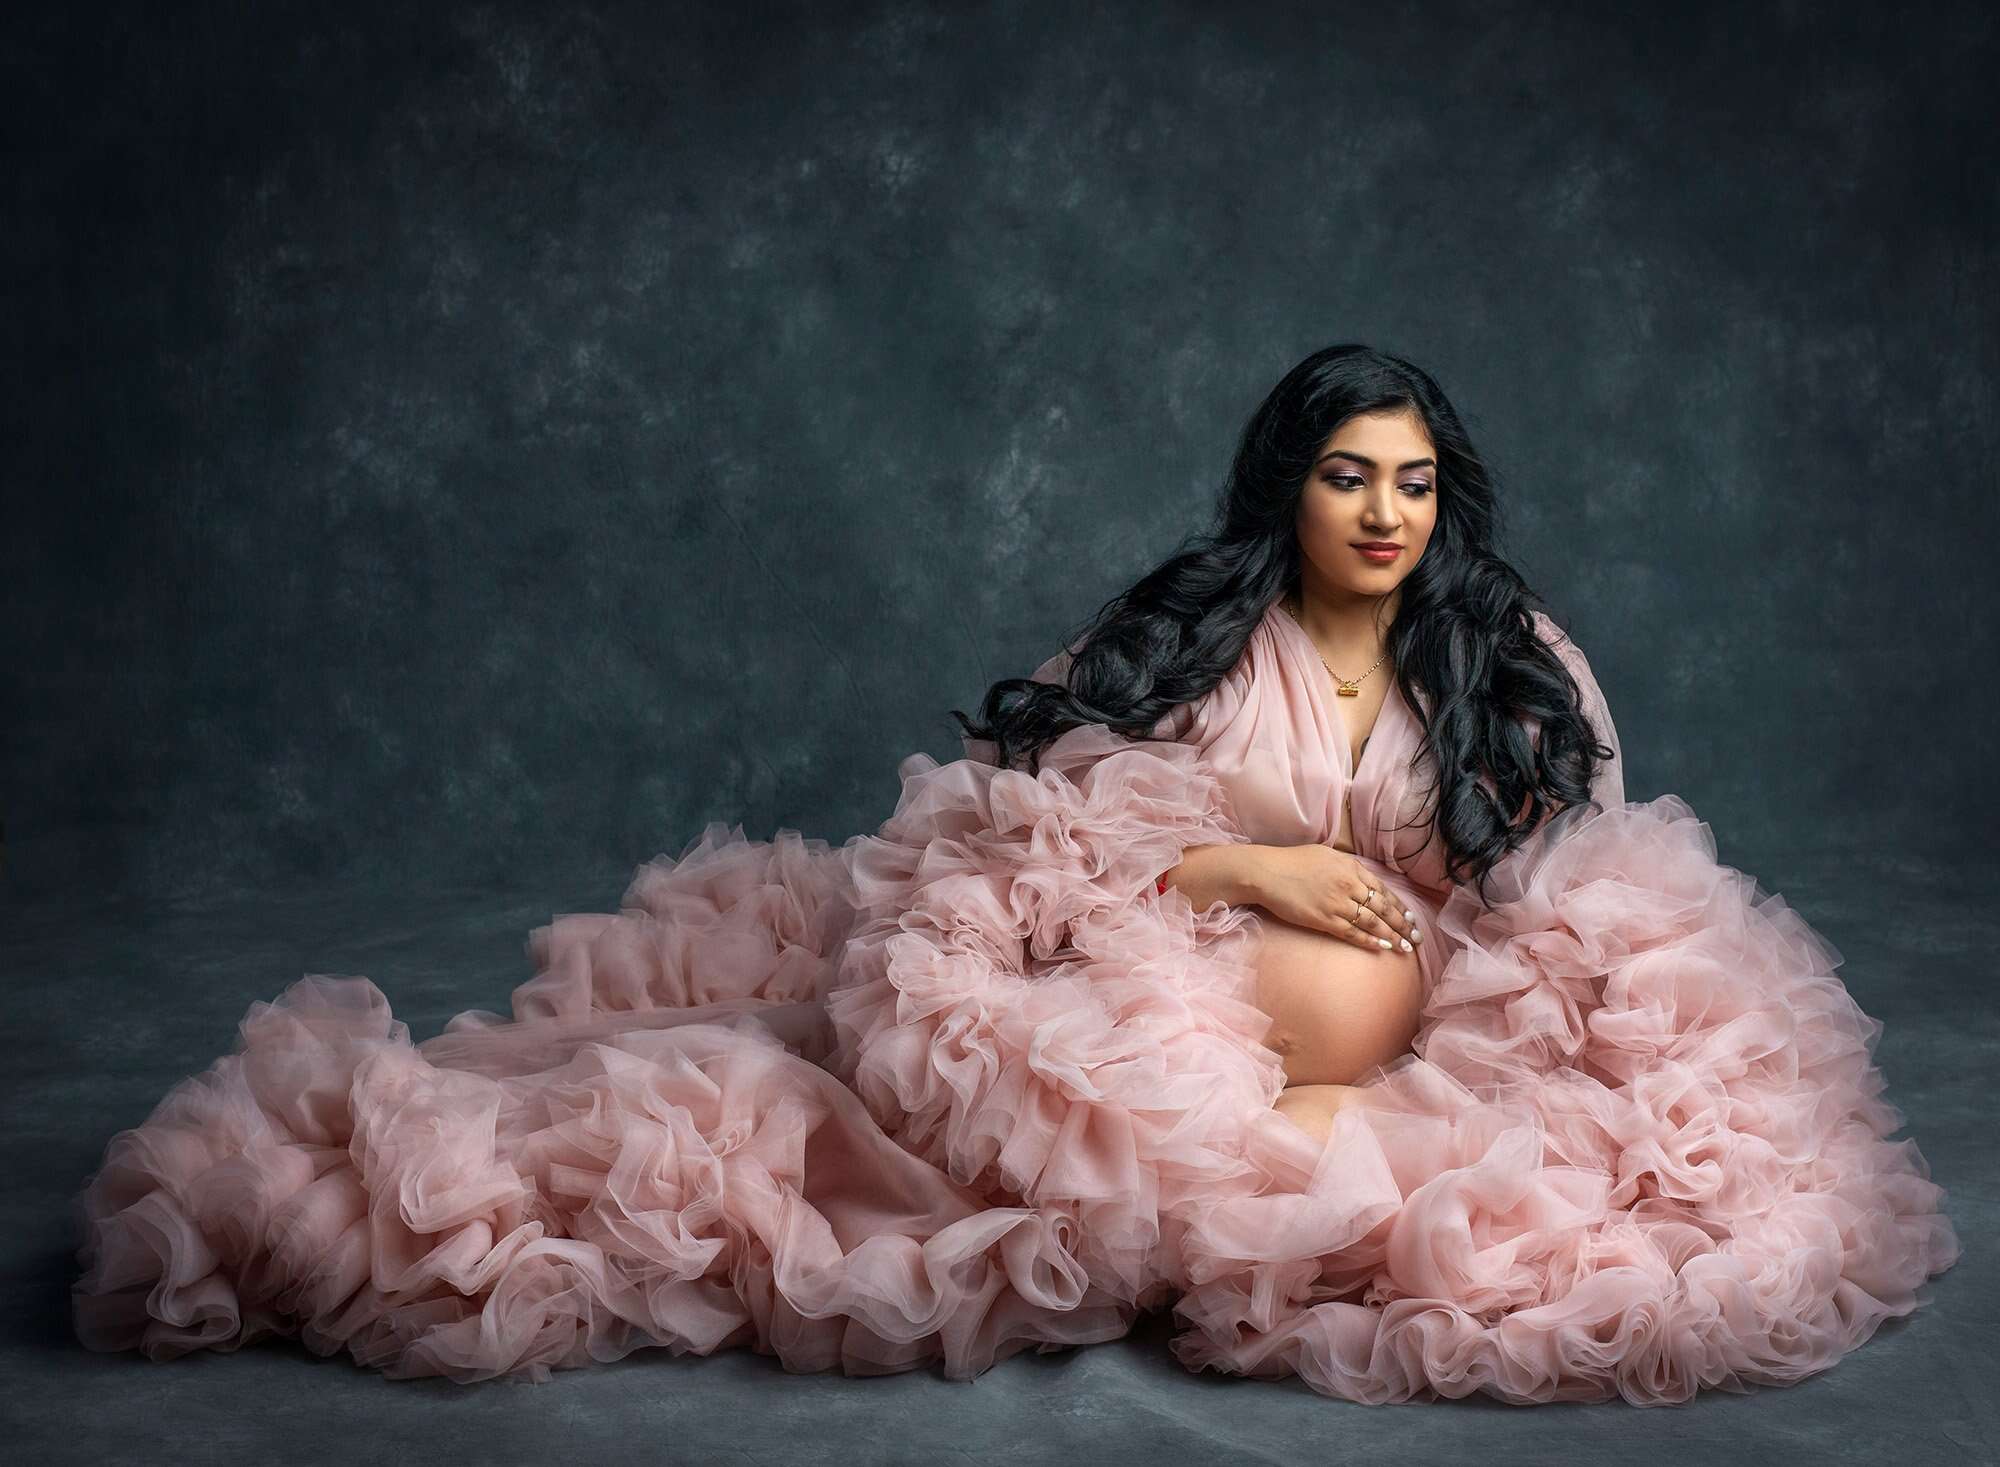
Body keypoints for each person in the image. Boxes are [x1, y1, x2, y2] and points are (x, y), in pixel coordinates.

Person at [68, 344, 1961, 1406]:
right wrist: (1256, 869)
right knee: (820, 1112)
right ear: (1287, 488)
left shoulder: (1511, 655)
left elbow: (1586, 847)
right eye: (1346, 477)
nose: (1383, 513)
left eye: (1412, 482)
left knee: (1637, 1164)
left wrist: (1439, 938)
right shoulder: (1199, 635)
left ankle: (1278, 1168)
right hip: (1170, 1000)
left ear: (1444, 496)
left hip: (1411, 1048)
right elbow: (1031, 808)